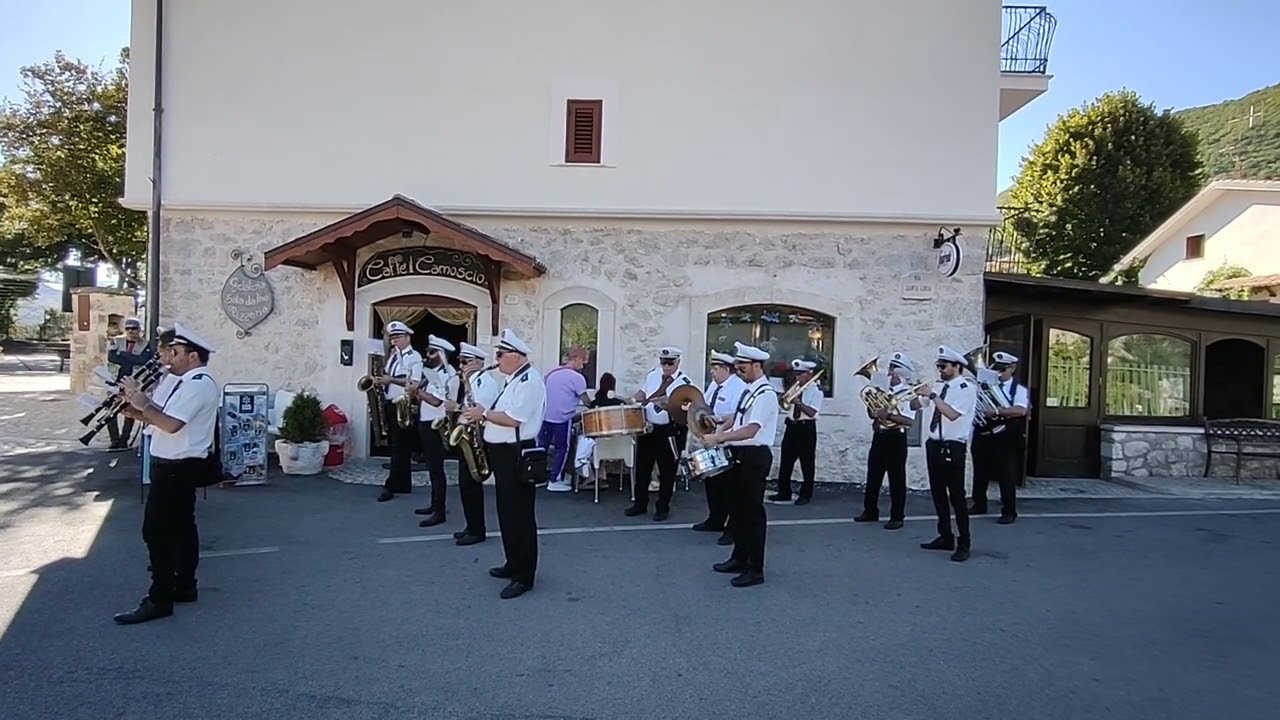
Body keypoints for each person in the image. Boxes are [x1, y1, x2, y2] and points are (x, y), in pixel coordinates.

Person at [112, 322, 220, 624]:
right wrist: (131, 409)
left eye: (175, 352)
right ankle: (185, 585)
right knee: (183, 528)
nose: (168, 357)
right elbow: (161, 419)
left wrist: (142, 401)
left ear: (193, 356)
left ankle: (160, 598)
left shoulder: (199, 384)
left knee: (156, 532)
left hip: (177, 468)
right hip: (175, 466)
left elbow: (172, 425)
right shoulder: (187, 382)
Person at [462, 329, 546, 599]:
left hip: (517, 452)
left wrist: (483, 414)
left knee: (520, 516)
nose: (496, 359)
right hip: (503, 452)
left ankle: (524, 576)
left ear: (517, 356)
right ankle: (512, 563)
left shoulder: (529, 381)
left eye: (500, 355)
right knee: (506, 512)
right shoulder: (512, 380)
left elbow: (513, 419)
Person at [701, 342, 778, 588]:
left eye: (742, 366)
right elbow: (741, 415)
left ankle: (755, 568)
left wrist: (719, 437)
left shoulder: (765, 394)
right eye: (737, 366)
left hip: (754, 456)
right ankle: (739, 557)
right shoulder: (750, 390)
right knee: (739, 510)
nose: (738, 370)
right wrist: (723, 420)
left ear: (756, 365)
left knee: (752, 514)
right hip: (740, 454)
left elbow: (752, 429)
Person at [911, 345, 979, 563]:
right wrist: (914, 394)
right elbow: (916, 406)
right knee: (938, 494)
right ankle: (945, 536)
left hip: (953, 446)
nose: (940, 369)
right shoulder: (939, 387)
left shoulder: (965, 388)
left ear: (957, 367)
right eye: (938, 365)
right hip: (934, 444)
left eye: (944, 366)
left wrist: (932, 395)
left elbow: (951, 414)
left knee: (957, 497)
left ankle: (964, 542)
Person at [627, 347, 694, 521]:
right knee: (642, 467)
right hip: (648, 427)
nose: (665, 366)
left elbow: (687, 409)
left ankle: (662, 507)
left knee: (667, 471)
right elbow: (644, 391)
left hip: (669, 430)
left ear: (678, 362)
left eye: (670, 363)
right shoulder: (653, 375)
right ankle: (640, 504)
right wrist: (634, 399)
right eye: (663, 362)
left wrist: (669, 405)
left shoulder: (684, 383)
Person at [855, 351, 917, 529]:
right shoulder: (882, 390)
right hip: (879, 435)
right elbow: (872, 415)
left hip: (896, 438)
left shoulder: (908, 394)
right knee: (873, 475)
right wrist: (872, 409)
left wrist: (887, 414)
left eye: (894, 369)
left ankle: (897, 516)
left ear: (903, 372)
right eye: (890, 368)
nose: (889, 372)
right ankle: (870, 511)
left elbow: (909, 421)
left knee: (896, 478)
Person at [692, 350, 746, 546]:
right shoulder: (714, 386)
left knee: (729, 487)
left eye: (715, 368)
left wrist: (720, 432)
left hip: (727, 441)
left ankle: (733, 529)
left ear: (726, 369)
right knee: (712, 482)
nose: (712, 372)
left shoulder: (738, 387)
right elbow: (706, 407)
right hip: (712, 439)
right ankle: (715, 519)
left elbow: (738, 415)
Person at [969, 351, 1030, 524]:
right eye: (997, 369)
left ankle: (1009, 510)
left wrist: (996, 411)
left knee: (1006, 474)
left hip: (1006, 435)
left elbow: (1020, 410)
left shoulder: (1018, 389)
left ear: (1012, 368)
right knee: (980, 471)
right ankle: (979, 503)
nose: (999, 373)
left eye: (1003, 369)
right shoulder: (984, 385)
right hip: (983, 433)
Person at [446, 342, 497, 546]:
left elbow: (479, 410)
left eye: (465, 361)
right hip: (465, 432)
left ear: (477, 362)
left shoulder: (485, 382)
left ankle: (477, 530)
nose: (461, 366)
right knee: (465, 486)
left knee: (471, 485)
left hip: (476, 434)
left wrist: (457, 407)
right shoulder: (471, 381)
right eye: (460, 362)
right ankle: (471, 525)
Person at [411, 335, 456, 526]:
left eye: (431, 352)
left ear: (441, 353)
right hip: (426, 421)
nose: (427, 355)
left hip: (436, 424)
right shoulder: (433, 372)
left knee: (436, 468)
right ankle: (435, 503)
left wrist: (417, 391)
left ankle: (439, 510)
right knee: (431, 467)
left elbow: (437, 401)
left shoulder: (446, 373)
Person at [376, 321, 423, 502]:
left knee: (398, 446)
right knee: (398, 446)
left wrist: (391, 380)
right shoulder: (393, 357)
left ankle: (391, 485)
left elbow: (414, 383)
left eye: (398, 337)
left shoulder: (414, 357)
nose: (394, 341)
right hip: (391, 403)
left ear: (408, 337)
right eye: (392, 338)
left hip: (402, 404)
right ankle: (403, 484)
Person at [770, 359, 823, 505]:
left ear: (809, 374)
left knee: (807, 463)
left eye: (801, 374)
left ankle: (806, 494)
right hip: (792, 426)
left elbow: (812, 412)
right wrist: (783, 399)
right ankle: (783, 491)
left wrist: (799, 403)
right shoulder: (795, 387)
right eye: (796, 374)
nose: (797, 377)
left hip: (806, 427)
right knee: (786, 460)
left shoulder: (815, 392)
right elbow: (786, 407)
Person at [538, 348, 591, 492]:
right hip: (563, 418)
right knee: (562, 448)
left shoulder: (551, 373)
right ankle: (555, 480)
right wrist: (593, 406)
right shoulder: (577, 377)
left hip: (546, 416)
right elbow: (585, 399)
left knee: (542, 447)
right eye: (584, 361)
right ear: (578, 359)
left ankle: (537, 477)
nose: (584, 365)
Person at [106, 317, 153, 451]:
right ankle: (114, 440)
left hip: (134, 381)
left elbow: (144, 360)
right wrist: (131, 358)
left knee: (130, 409)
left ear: (139, 330)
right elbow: (112, 357)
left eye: (134, 328)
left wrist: (123, 355)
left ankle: (124, 440)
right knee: (111, 409)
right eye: (128, 328)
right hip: (115, 380)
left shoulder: (145, 344)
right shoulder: (116, 341)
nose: (131, 331)